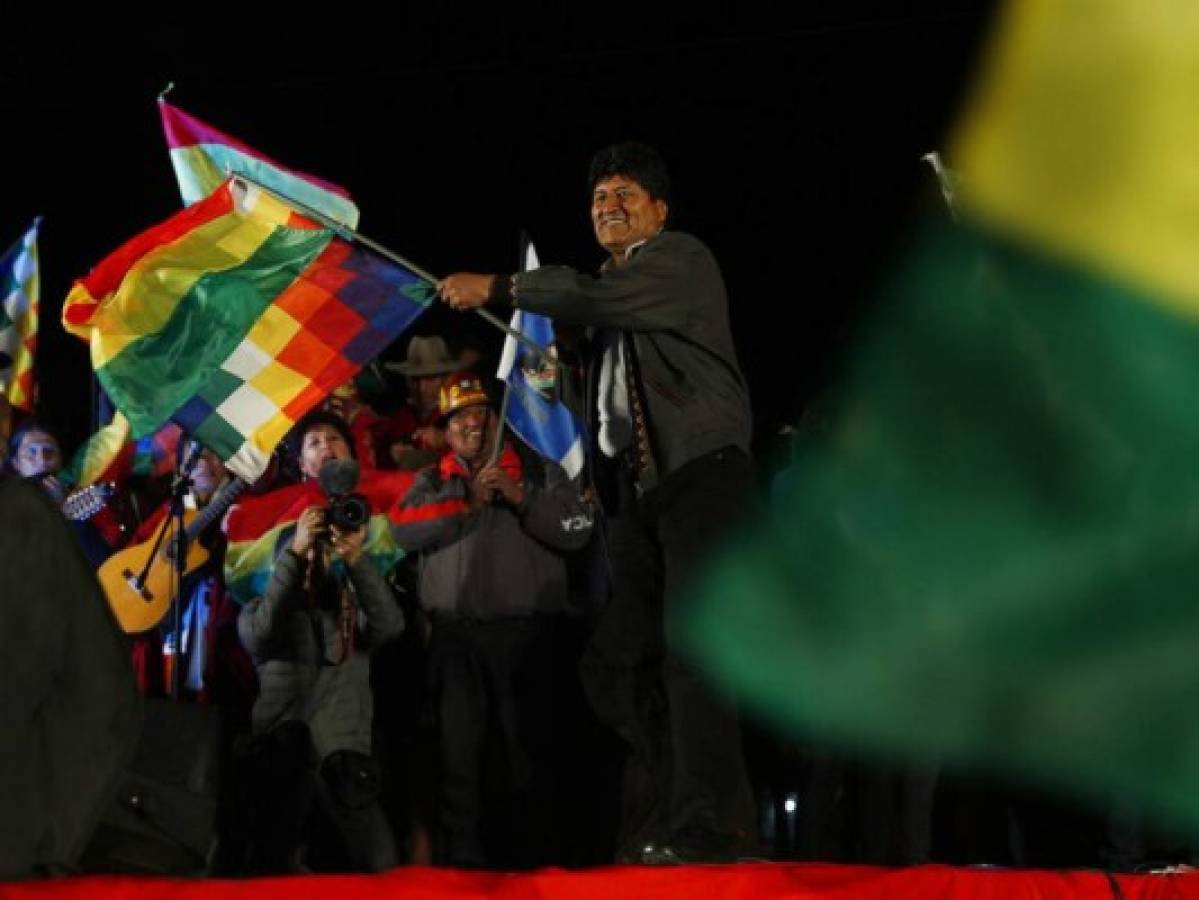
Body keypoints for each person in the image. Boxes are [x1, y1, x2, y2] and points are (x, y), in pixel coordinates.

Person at [437, 142, 757, 863]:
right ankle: (669, 814)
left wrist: (497, 286)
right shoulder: (609, 310)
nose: (607, 207)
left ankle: (712, 826)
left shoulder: (678, 260)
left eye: (624, 194)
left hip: (703, 477)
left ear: (659, 210)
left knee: (693, 655)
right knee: (614, 666)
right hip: (638, 500)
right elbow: (606, 397)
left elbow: (588, 294)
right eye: (597, 199)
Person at [390, 372, 594, 867]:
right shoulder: (432, 480)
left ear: (500, 420)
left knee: (530, 755)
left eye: (481, 414)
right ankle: (462, 867)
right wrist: (466, 501)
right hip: (456, 641)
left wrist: (521, 498)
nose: (471, 425)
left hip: (528, 637)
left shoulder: (537, 471)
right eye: (459, 418)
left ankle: (536, 865)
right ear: (445, 429)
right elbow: (402, 530)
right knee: (457, 760)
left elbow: (579, 529)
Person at [236, 411, 404, 873]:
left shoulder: (348, 602)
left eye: (335, 439)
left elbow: (390, 627)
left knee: (378, 861)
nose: (326, 447)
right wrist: (294, 553)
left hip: (343, 754)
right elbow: (266, 630)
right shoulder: (258, 611)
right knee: (272, 863)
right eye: (313, 441)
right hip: (282, 751)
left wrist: (356, 561)